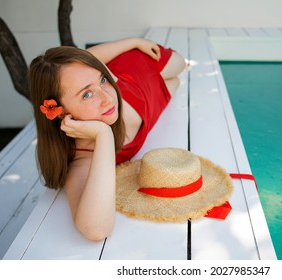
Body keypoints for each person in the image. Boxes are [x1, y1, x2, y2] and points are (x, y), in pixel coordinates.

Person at [29, 37, 186, 240]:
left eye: (103, 79)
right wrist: (104, 135)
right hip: (152, 97)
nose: (107, 97)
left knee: (180, 64)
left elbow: (89, 59)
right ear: (59, 112)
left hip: (132, 71)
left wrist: (134, 42)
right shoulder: (83, 157)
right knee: (176, 81)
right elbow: (96, 230)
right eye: (87, 95)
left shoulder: (106, 92)